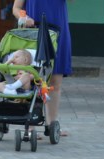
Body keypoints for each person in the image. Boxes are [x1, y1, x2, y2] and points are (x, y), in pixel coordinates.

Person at [12, 0, 72, 135]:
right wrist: (24, 18)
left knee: (55, 82)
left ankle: (52, 126)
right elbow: (16, 8)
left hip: (58, 32)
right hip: (34, 34)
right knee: (31, 81)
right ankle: (30, 126)